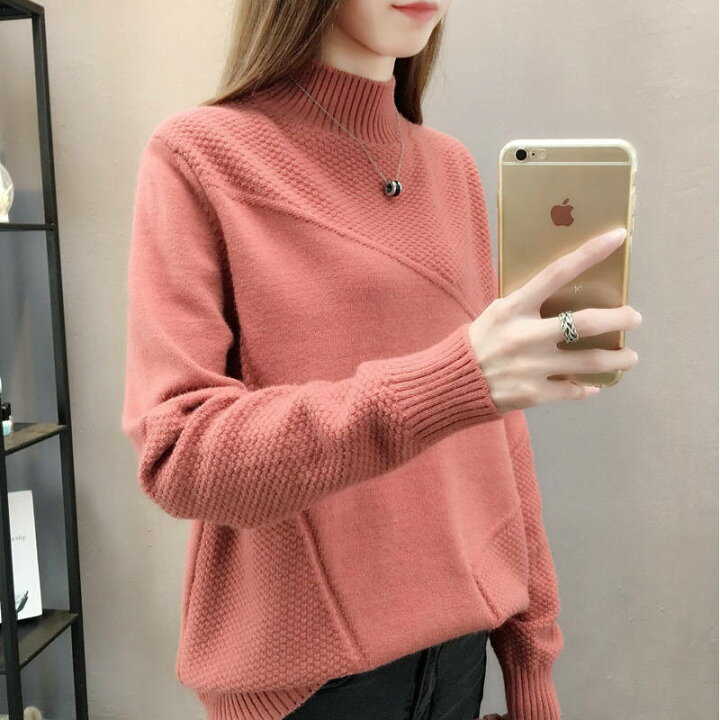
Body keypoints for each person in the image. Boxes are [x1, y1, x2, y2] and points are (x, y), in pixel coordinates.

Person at [121, 1, 641, 719]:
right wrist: (454, 380)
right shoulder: (201, 155)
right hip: (309, 684)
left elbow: (499, 436)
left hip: (460, 654)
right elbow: (180, 457)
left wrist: (530, 664)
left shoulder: (450, 169)